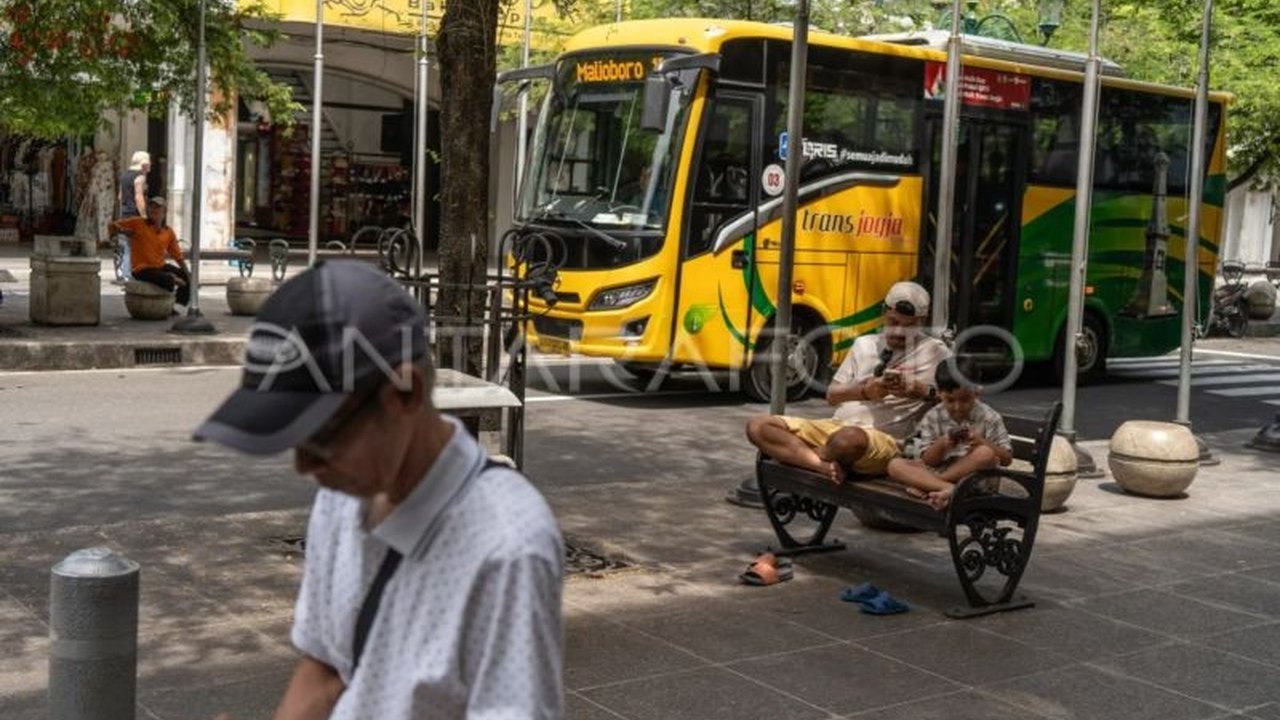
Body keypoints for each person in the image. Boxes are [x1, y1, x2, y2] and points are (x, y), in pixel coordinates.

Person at [193, 261, 564, 720]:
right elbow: (326, 668)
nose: (304, 467)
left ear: (405, 394)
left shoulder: (508, 548)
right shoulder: (342, 495)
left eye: (322, 436)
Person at [745, 281, 950, 482]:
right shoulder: (864, 344)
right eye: (893, 322)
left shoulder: (936, 351)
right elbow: (831, 396)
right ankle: (821, 465)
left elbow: (963, 399)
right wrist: (864, 392)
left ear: (922, 322)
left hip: (881, 440)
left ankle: (802, 454)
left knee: (848, 439)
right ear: (883, 313)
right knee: (759, 426)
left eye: (909, 326)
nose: (899, 332)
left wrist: (921, 391)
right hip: (835, 427)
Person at [887, 357, 1013, 510]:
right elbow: (928, 461)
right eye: (950, 400)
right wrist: (941, 445)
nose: (958, 407)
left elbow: (1006, 459)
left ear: (977, 392)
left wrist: (981, 442)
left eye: (965, 400)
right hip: (940, 469)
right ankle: (948, 489)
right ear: (940, 394)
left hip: (975, 481)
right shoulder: (933, 416)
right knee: (895, 465)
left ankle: (934, 485)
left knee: (985, 453)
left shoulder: (989, 417)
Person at [108, 197, 190, 311]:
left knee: (185, 276)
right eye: (151, 207)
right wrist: (123, 231)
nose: (154, 210)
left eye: (158, 208)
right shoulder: (138, 223)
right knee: (168, 279)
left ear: (164, 212)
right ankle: (171, 284)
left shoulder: (168, 232)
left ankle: (173, 304)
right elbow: (112, 225)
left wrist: (187, 272)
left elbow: (177, 255)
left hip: (159, 266)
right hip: (141, 268)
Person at [116, 150, 150, 282]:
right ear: (143, 165)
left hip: (125, 215)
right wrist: (144, 216)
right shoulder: (139, 177)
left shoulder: (124, 176)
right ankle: (133, 274)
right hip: (135, 216)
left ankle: (125, 274)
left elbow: (120, 197)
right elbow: (139, 198)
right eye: (148, 163)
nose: (149, 166)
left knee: (127, 246)